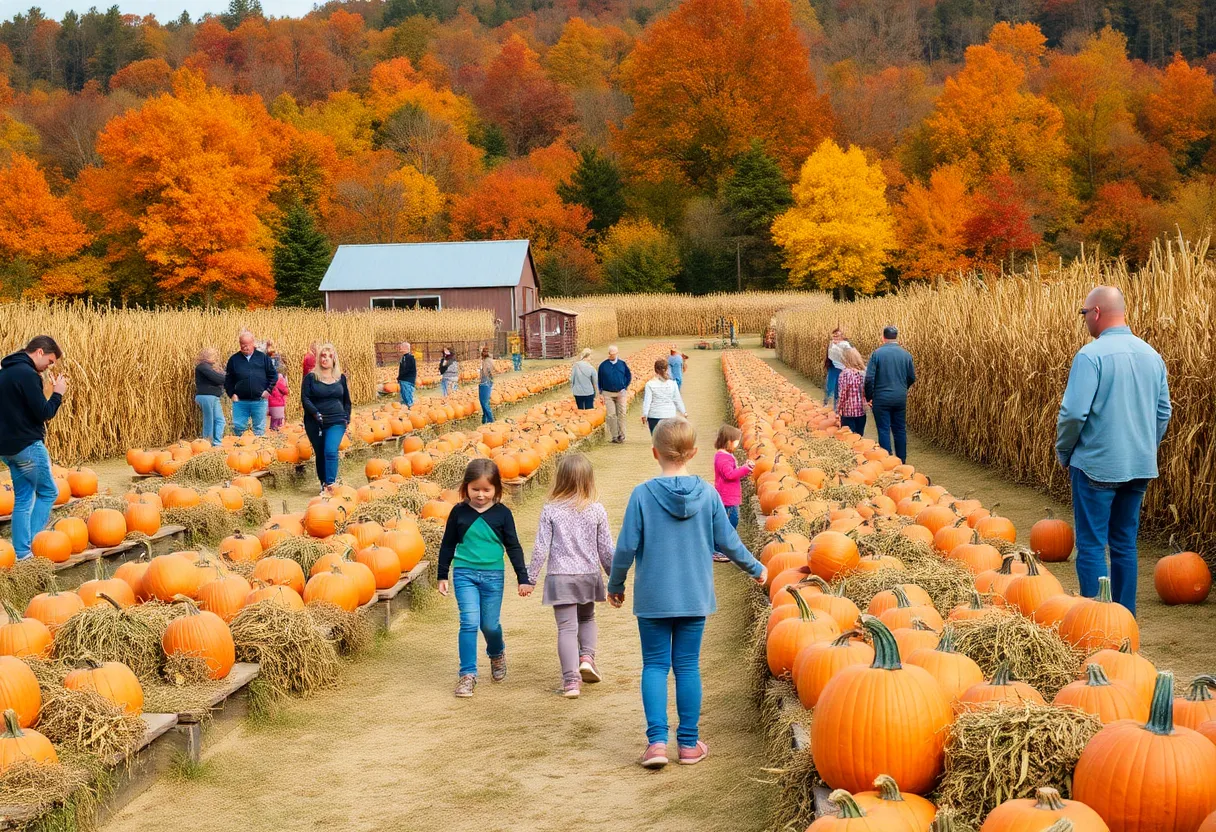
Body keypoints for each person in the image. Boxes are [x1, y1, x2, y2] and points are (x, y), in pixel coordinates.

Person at [608, 418, 766, 769]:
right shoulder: (708, 494)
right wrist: (757, 569)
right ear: (694, 452)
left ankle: (657, 744)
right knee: (687, 666)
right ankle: (690, 744)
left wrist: (616, 585)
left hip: (653, 598)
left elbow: (625, 548)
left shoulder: (642, 495)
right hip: (694, 596)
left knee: (654, 665)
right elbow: (728, 541)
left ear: (654, 453)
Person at [1056, 286, 1170, 615]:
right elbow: (1164, 412)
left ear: (1096, 313)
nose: (1084, 321)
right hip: (1139, 465)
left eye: (1083, 314)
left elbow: (1074, 414)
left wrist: (1064, 451)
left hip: (1096, 465)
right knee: (1124, 543)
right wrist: (1146, 446)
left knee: (1091, 544)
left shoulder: (1091, 356)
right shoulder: (1152, 355)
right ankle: (1125, 619)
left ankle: (1096, 621)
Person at [437, 458, 533, 699]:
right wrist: (442, 575)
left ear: (497, 489)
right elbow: (447, 545)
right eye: (475, 489)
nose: (480, 495)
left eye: (486, 489)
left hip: (493, 576)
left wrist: (523, 577)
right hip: (464, 573)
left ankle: (497, 652)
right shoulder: (459, 512)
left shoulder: (503, 514)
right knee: (469, 622)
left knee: (489, 625)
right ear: (466, 488)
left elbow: (513, 546)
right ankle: (467, 674)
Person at [527, 454, 615, 698]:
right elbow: (606, 549)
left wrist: (530, 577)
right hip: (588, 574)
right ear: (588, 480)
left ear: (560, 479)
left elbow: (541, 548)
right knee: (587, 619)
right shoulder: (596, 510)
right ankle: (587, 657)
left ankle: (571, 682)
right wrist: (614, 578)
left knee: (566, 627)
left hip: (560, 576)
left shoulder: (550, 510)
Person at [0, 336, 67, 562]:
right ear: (39, 352)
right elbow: (44, 413)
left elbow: (23, 410)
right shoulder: (28, 375)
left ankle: (22, 555)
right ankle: (35, 544)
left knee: (23, 499)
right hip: (28, 446)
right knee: (49, 492)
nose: (50, 366)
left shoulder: (5, 372)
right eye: (49, 361)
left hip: (7, 449)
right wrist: (58, 393)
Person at [301, 344, 351, 491]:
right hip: (315, 421)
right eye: (323, 355)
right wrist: (315, 413)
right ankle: (323, 483)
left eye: (329, 356)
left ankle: (330, 485)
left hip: (336, 420)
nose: (325, 359)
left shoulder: (340, 378)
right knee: (321, 452)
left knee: (330, 450)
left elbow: (346, 400)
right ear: (319, 358)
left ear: (334, 359)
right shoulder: (311, 377)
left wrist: (346, 417)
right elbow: (305, 398)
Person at [864, 326, 915, 462]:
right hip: (900, 397)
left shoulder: (877, 354)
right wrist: (903, 388)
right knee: (899, 429)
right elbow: (912, 377)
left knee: (884, 429)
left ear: (883, 337)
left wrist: (869, 397)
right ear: (896, 337)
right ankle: (902, 461)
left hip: (881, 398)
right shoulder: (906, 354)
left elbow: (869, 378)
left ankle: (887, 461)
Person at [225, 331, 277, 437]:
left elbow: (273, 376)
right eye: (242, 344)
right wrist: (232, 394)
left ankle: (258, 451)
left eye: (247, 344)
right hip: (240, 402)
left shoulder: (262, 358)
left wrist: (268, 390)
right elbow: (228, 380)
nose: (245, 347)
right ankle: (240, 451)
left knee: (259, 430)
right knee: (239, 429)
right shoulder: (234, 360)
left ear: (253, 343)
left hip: (259, 401)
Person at [641, 358, 686, 434]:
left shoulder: (650, 384)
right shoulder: (673, 384)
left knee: (657, 440)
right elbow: (677, 399)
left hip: (654, 416)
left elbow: (647, 401)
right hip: (669, 415)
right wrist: (684, 412)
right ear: (667, 369)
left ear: (655, 370)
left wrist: (644, 414)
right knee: (668, 439)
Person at [598, 345, 632, 444]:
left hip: (621, 393)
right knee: (611, 415)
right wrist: (600, 392)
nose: (611, 355)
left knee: (622, 414)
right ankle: (614, 436)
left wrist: (625, 387)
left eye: (613, 354)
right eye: (609, 353)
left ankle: (622, 435)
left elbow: (628, 376)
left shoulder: (622, 364)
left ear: (617, 353)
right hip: (607, 393)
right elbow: (599, 379)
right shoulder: (603, 366)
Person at [194, 348, 226, 446]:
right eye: (213, 356)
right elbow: (216, 378)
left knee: (220, 420)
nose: (215, 358)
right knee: (209, 420)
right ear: (206, 357)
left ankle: (216, 443)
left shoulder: (209, 367)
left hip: (213, 397)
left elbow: (218, 377)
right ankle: (206, 444)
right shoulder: (202, 367)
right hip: (206, 396)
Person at [836, 347, 868, 437]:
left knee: (848, 439)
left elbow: (843, 394)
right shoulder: (863, 373)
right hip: (861, 412)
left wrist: (838, 409)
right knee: (859, 437)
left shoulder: (845, 373)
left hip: (848, 412)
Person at [823, 329, 851, 406]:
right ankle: (826, 404)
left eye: (837, 336)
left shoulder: (846, 345)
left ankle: (837, 408)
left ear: (842, 337)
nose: (835, 337)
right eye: (834, 336)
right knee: (829, 387)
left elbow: (848, 356)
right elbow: (829, 356)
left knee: (839, 389)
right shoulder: (831, 344)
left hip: (842, 370)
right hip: (832, 369)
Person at [396, 342, 416, 408]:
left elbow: (406, 369)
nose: (400, 348)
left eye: (401, 347)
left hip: (407, 380)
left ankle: (411, 408)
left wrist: (400, 377)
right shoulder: (405, 357)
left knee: (407, 395)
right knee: (404, 395)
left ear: (405, 348)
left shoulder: (408, 357)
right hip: (404, 379)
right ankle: (406, 408)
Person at [478, 346, 495, 424]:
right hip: (484, 382)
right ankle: (484, 420)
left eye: (485, 352)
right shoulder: (485, 360)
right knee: (483, 402)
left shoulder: (487, 361)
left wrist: (489, 380)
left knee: (484, 402)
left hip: (485, 383)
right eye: (483, 351)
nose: (483, 353)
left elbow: (490, 371)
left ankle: (491, 421)